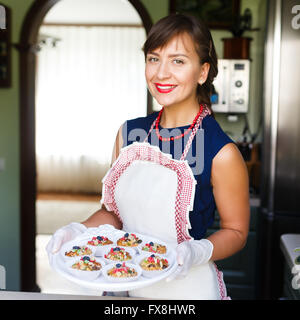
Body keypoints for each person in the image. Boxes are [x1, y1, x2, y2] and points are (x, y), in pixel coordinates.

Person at [46, 13, 250, 300]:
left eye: (178, 61)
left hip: (188, 290)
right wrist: (78, 230)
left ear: (202, 72)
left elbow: (237, 231)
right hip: (124, 283)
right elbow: (113, 214)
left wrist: (196, 251)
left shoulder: (220, 151)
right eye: (154, 58)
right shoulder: (128, 134)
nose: (161, 73)